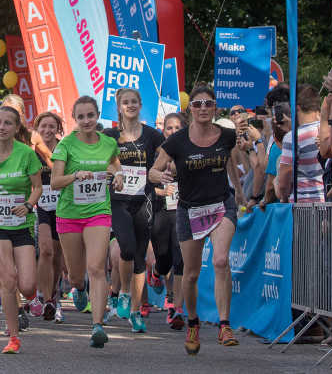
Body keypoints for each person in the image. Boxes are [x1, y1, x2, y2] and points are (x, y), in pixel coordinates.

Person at [149, 85, 245, 355]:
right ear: (190, 109)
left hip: (221, 205)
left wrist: (238, 191)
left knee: (221, 260)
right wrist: (162, 177)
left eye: (208, 103)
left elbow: (231, 163)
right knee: (190, 275)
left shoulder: (227, 136)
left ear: (215, 108)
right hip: (190, 210)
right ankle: (192, 323)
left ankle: (224, 325)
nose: (203, 108)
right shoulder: (177, 141)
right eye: (198, 104)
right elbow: (153, 172)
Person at [51, 96, 123, 348]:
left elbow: (115, 164)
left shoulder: (108, 143)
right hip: (69, 215)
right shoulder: (66, 145)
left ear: (97, 115)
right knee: (77, 275)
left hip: (98, 212)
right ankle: (79, 289)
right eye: (81, 117)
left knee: (97, 268)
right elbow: (55, 182)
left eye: (90, 115)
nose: (86, 121)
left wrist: (119, 175)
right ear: (75, 119)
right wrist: (75, 175)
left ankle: (97, 326)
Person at [0, 106, 42, 354]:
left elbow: (37, 187)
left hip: (22, 224)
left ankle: (32, 297)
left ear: (16, 128)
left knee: (26, 285)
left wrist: (28, 204)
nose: (1, 128)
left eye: (7, 124)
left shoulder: (26, 154)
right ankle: (13, 337)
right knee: (9, 280)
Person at [102, 88, 164, 332]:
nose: (129, 105)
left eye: (133, 102)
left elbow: (167, 157)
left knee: (139, 256)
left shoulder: (152, 135)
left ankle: (136, 311)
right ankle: (125, 294)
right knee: (126, 248)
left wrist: (161, 171)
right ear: (118, 107)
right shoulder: (109, 135)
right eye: (125, 102)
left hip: (144, 199)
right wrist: (112, 170)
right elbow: (101, 159)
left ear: (140, 105)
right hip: (118, 200)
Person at [150, 112, 186, 329]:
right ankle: (155, 271)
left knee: (180, 259)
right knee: (164, 259)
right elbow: (146, 182)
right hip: (161, 211)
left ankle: (175, 306)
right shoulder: (158, 154)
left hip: (182, 211)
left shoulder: (189, 152)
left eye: (176, 128)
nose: (173, 131)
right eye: (169, 128)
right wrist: (160, 190)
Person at [31, 111, 65, 323]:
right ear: (37, 128)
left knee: (58, 255)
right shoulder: (31, 151)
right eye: (43, 126)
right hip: (41, 205)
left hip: (63, 204)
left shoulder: (65, 147)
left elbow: (56, 167)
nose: (47, 130)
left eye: (51, 126)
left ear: (58, 129)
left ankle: (54, 296)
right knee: (45, 250)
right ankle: (46, 299)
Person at [277, 85, 325, 202]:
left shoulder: (293, 137)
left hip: (303, 205)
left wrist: (283, 197)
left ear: (296, 108)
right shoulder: (328, 131)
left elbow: (284, 181)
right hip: (328, 200)